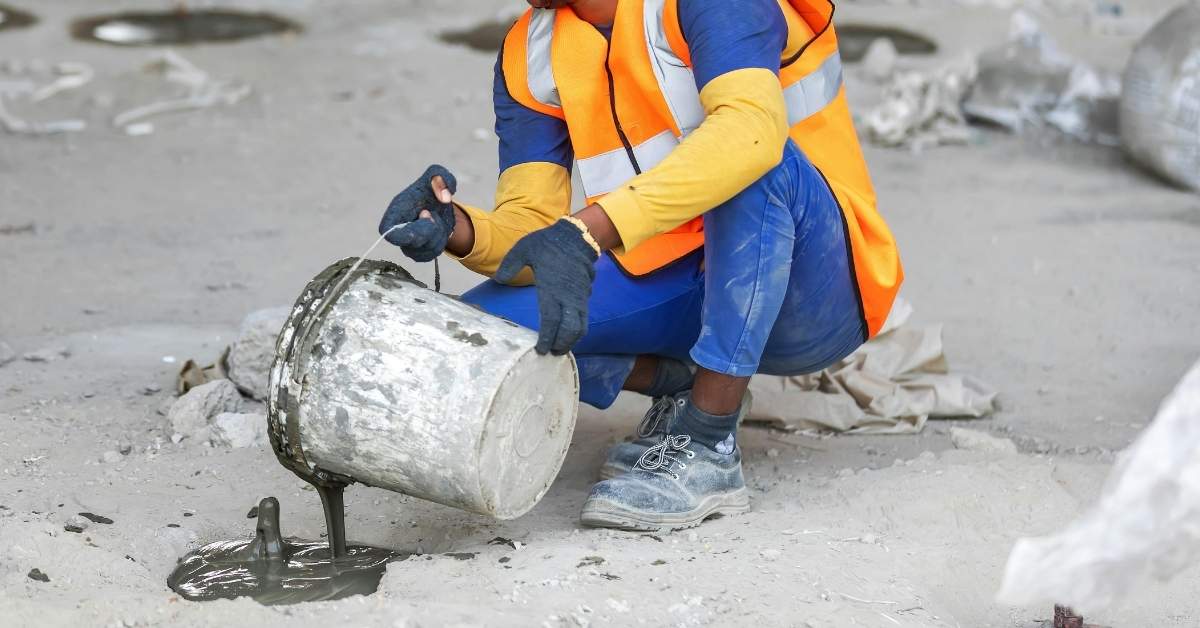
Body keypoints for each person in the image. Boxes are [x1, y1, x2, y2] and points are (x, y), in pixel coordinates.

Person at [378, 0, 902, 531]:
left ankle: (707, 439)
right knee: (482, 336)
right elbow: (533, 228)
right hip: (682, 276)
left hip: (814, 287)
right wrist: (457, 228)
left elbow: (753, 134)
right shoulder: (529, 51)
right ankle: (683, 382)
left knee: (748, 156)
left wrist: (589, 230)